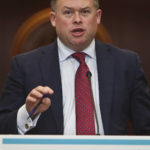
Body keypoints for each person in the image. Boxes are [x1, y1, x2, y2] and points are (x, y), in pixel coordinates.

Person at [0, 0, 150, 135]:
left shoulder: (127, 64)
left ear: (97, 17)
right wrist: (27, 112)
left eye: (85, 12)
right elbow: (3, 126)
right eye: (68, 12)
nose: (77, 20)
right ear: (53, 19)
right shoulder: (25, 65)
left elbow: (146, 127)